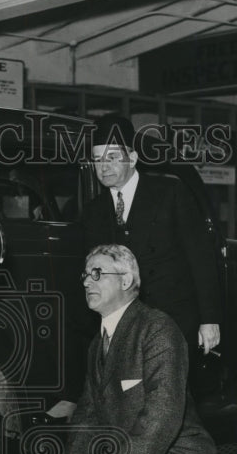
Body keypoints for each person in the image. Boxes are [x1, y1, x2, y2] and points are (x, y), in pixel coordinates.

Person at [45, 244, 219, 454]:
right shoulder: (98, 344)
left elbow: (164, 410)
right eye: (85, 274)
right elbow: (87, 412)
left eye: (97, 273)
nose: (86, 281)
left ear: (126, 281)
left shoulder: (157, 328)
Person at [81, 114, 222, 364]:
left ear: (133, 158)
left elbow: (201, 258)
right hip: (120, 323)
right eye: (97, 159)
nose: (103, 166)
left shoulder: (170, 192)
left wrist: (209, 319)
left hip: (172, 319)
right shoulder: (93, 211)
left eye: (112, 157)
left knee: (170, 395)